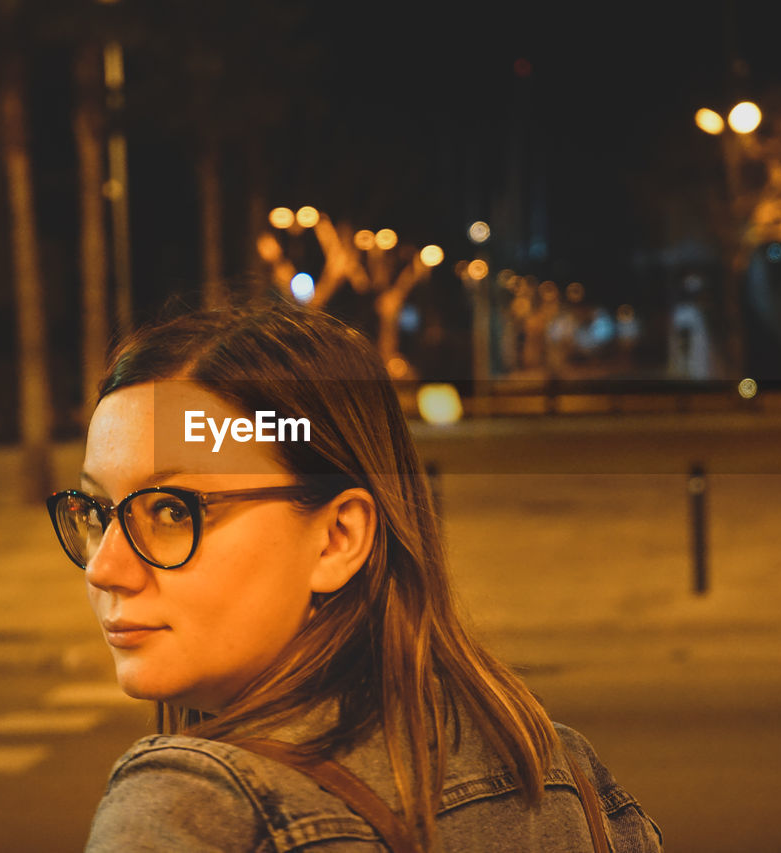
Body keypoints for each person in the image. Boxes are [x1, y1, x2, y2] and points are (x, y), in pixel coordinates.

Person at [46, 300, 662, 852]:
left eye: (173, 511)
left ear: (338, 537)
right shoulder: (561, 774)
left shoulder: (195, 810)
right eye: (95, 512)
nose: (105, 568)